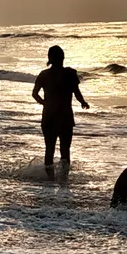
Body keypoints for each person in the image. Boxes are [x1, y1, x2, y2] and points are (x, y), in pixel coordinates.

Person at [33, 45, 89, 178]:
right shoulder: (69, 74)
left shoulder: (45, 74)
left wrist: (45, 104)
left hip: (51, 116)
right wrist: (82, 102)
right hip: (63, 116)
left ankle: (51, 179)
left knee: (51, 149)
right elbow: (76, 92)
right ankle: (63, 179)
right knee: (63, 149)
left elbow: (35, 94)